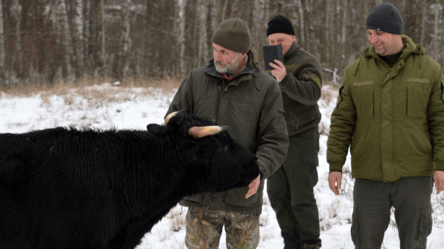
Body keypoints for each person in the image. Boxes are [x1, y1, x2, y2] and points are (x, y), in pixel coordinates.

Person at [327, 3, 444, 249]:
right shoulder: (356, 72)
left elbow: (440, 121)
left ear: (395, 33)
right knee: (365, 243)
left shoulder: (429, 70)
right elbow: (341, 123)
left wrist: (441, 164)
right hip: (370, 177)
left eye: (378, 33)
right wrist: (335, 165)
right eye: (370, 34)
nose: (373, 40)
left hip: (415, 175)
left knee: (414, 243)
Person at [165, 18, 289, 249]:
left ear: (243, 53)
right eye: (215, 49)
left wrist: (259, 169)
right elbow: (172, 120)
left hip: (242, 197)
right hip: (202, 195)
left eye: (224, 51)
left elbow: (276, 140)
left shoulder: (265, 87)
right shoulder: (196, 80)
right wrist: (185, 130)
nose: (217, 56)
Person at [265, 15, 323, 249]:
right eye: (271, 40)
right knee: (277, 196)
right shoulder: (267, 64)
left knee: (301, 198)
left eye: (281, 39)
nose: (276, 44)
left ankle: (310, 243)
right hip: (274, 141)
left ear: (293, 37)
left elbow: (312, 94)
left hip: (301, 138)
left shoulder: (307, 62)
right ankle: (291, 242)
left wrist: (285, 79)